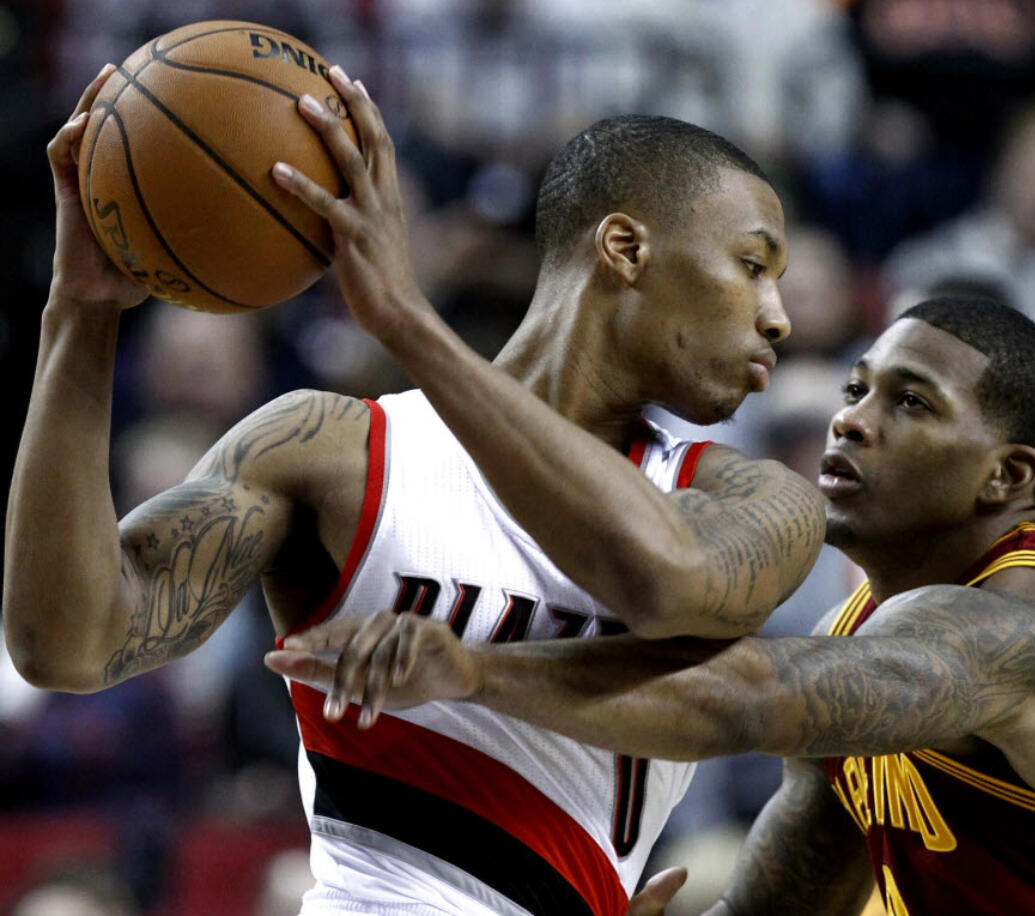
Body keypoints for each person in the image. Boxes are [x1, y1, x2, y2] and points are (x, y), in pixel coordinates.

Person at [5, 64, 824, 915]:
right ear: (625, 249)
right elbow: (68, 644)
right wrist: (81, 313)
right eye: (752, 264)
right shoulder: (333, 449)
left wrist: (404, 318)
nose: (778, 315)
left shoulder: (757, 502)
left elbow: (664, 580)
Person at [271, 297, 1035, 913]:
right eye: (856, 389)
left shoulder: (1025, 629)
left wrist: (474, 669)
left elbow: (747, 699)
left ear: (1007, 475)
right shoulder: (857, 642)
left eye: (911, 403)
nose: (852, 418)